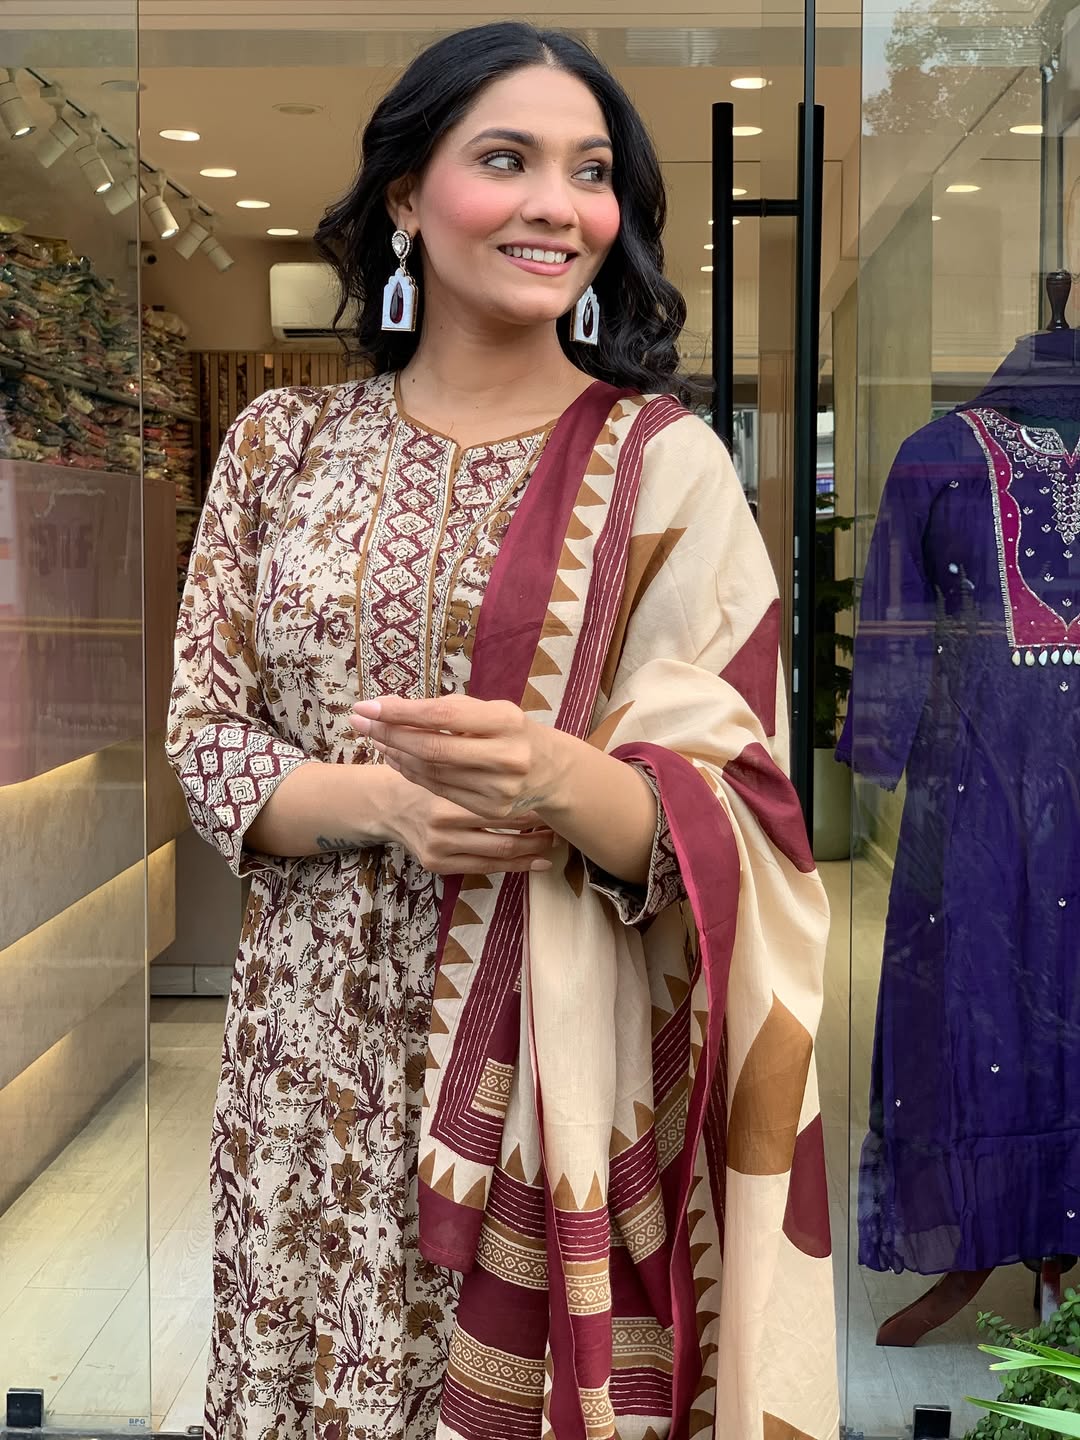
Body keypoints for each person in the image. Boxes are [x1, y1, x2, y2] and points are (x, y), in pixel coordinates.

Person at [166, 21, 837, 1440]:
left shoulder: (665, 465)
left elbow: (747, 807)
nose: (557, 205)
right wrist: (384, 806)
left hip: (550, 1062)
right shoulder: (280, 447)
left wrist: (565, 780)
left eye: (591, 173)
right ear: (406, 196)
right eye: (508, 159)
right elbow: (207, 734)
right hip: (307, 1055)